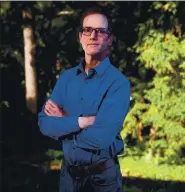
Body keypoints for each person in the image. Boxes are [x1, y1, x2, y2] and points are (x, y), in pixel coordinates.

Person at [38, 6, 131, 192]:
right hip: (69, 178)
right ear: (80, 37)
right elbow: (44, 124)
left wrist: (63, 121)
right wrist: (82, 121)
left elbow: (101, 139)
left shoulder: (118, 83)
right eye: (87, 30)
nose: (93, 36)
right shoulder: (66, 78)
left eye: (100, 31)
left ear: (110, 39)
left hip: (102, 180)